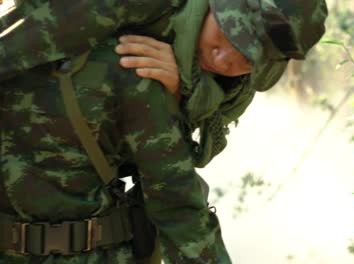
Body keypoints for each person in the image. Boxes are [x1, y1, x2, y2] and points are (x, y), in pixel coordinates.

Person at [0, 0, 328, 263]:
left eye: (247, 58)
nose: (224, 58)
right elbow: (17, 36)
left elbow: (181, 200)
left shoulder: (231, 84)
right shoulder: (122, 14)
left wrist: (183, 92)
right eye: (227, 36)